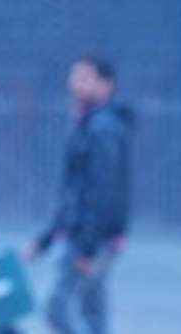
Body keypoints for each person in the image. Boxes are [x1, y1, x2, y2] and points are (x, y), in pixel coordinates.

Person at [27, 57, 132, 334]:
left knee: (56, 306)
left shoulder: (102, 129)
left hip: (89, 236)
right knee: (92, 310)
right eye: (74, 77)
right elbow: (73, 191)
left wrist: (88, 247)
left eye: (85, 78)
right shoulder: (91, 124)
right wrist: (46, 240)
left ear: (106, 85)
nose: (74, 84)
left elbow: (102, 190)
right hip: (89, 233)